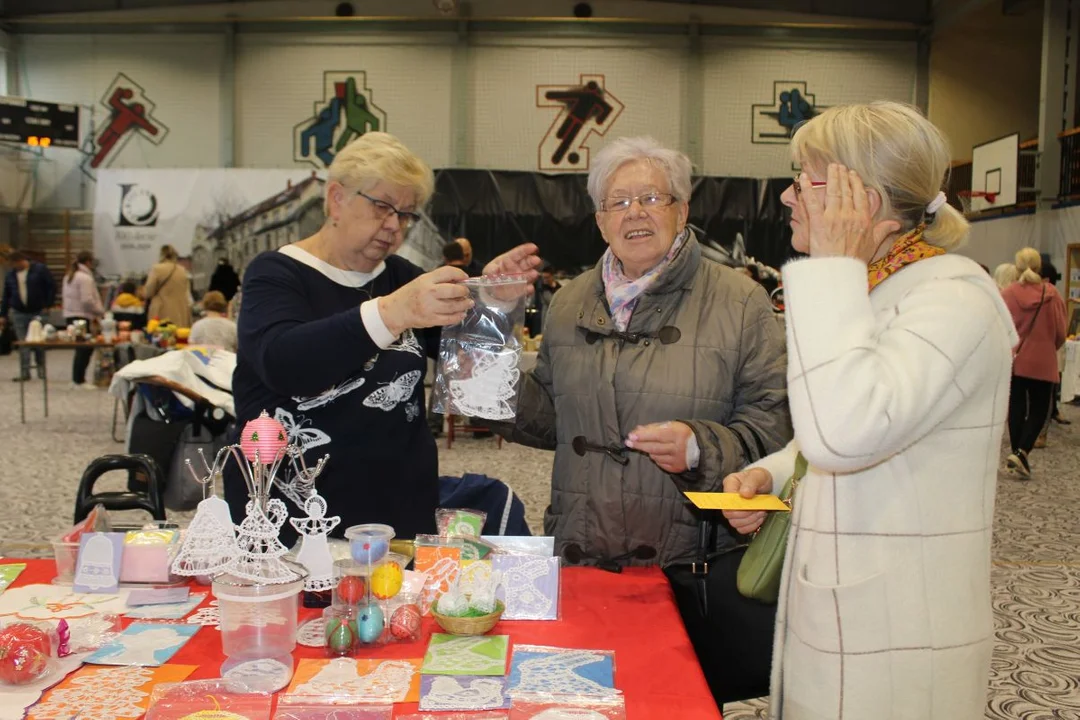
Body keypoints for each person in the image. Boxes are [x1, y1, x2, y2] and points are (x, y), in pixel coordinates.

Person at [721, 102, 1016, 719]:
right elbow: (843, 425)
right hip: (841, 610)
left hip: (897, 630)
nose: (786, 196)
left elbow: (846, 432)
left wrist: (830, 269)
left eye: (803, 179)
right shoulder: (879, 283)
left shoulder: (954, 300)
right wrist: (773, 474)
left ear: (864, 198)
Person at [497, 136, 791, 703]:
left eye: (651, 198)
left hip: (686, 563)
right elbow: (549, 419)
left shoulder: (740, 301)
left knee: (670, 703)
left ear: (683, 209)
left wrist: (702, 447)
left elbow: (773, 428)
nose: (634, 212)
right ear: (600, 221)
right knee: (575, 702)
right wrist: (491, 338)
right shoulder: (569, 301)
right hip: (581, 551)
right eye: (618, 202)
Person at [224, 132, 539, 547]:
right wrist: (392, 313)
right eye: (382, 207)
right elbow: (286, 363)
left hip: (398, 515)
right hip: (294, 520)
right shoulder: (276, 273)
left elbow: (471, 377)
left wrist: (493, 305)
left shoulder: (400, 276)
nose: (394, 226)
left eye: (406, 214)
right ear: (336, 199)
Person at [1000, 248, 1067, 477]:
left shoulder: (1007, 294)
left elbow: (999, 328)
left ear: (1016, 267)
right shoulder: (1052, 294)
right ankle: (1021, 453)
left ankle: (1016, 453)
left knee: (1016, 407)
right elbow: (1061, 331)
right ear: (1039, 267)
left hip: (1016, 359)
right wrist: (1049, 346)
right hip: (1043, 359)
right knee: (1040, 409)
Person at [1, 250, 56, 381]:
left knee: (38, 343)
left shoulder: (40, 270)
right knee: (23, 343)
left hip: (38, 310)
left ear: (20, 261)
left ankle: (41, 370)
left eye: (14, 264)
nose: (13, 267)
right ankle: (25, 372)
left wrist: (48, 305)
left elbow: (51, 287)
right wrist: (2, 314)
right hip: (19, 312)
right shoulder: (11, 275)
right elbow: (6, 295)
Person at [61, 250, 105, 389]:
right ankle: (79, 380)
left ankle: (76, 379)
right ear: (88, 262)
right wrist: (100, 311)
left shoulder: (69, 276)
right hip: (83, 316)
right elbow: (87, 300)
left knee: (79, 348)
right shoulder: (85, 278)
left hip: (70, 316)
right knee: (85, 349)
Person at [143, 244, 192, 328]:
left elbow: (148, 292)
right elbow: (187, 292)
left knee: (162, 336)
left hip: (161, 310)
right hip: (180, 311)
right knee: (178, 336)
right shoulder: (182, 270)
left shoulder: (157, 269)